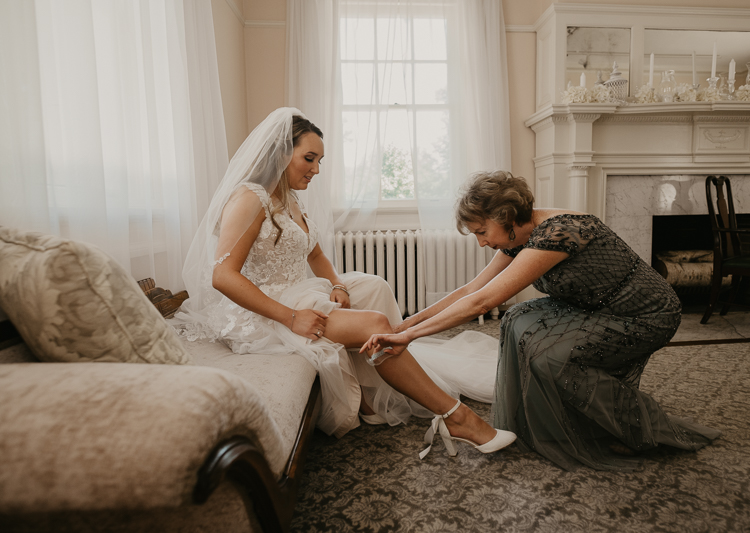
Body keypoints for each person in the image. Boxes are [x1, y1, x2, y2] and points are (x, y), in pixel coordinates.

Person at [171, 107, 515, 458]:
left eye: (319, 160)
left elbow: (315, 255)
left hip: (298, 291)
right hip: (263, 313)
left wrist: (337, 284)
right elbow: (223, 276)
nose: (316, 169)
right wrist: (291, 317)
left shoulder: (289, 198)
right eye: (309, 158)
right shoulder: (249, 198)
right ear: (279, 153)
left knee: (374, 285)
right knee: (376, 324)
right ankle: (457, 418)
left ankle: (373, 391)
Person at [362, 170, 721, 471]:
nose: (481, 242)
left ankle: (639, 429)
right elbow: (472, 288)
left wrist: (408, 339)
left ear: (504, 218)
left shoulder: (558, 233)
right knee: (518, 320)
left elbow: (484, 301)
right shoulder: (518, 236)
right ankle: (563, 419)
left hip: (646, 312)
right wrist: (406, 325)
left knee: (553, 359)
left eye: (481, 231)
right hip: (597, 306)